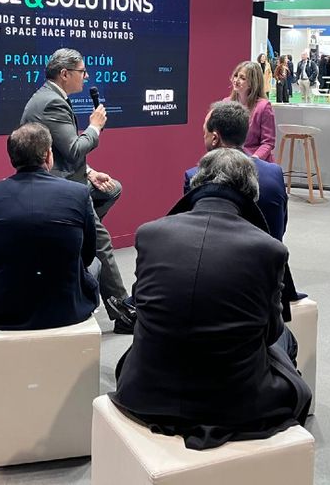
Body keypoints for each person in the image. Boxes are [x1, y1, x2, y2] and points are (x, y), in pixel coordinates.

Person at [111, 148, 311, 450]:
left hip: (143, 392)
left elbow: (142, 305)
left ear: (197, 183)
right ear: (251, 193)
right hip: (235, 406)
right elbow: (271, 332)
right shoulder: (269, 249)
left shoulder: (150, 234)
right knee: (287, 340)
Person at [0, 122, 99, 348]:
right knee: (96, 264)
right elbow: (88, 255)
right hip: (66, 310)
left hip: (0, 310)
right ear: (48, 155)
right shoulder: (78, 193)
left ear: (12, 157)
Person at [21, 48, 132, 332]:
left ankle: (77, 236)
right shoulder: (51, 103)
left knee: (112, 190)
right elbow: (72, 149)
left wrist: (91, 172)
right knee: (102, 242)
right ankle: (122, 311)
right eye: (82, 72)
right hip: (59, 187)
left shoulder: (52, 97)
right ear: (65, 73)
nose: (86, 77)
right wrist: (94, 128)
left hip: (68, 177)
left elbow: (61, 150)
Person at [184, 101, 301, 310]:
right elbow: (280, 228)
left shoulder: (195, 177)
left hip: (216, 286)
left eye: (204, 132)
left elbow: (192, 236)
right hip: (271, 282)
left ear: (214, 137)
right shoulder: (274, 173)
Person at [227, 60, 276, 162]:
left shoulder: (263, 107)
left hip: (254, 160)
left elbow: (268, 142)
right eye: (235, 76)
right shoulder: (226, 103)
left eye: (242, 78)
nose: (236, 80)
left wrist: (254, 159)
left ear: (252, 83)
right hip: (230, 159)